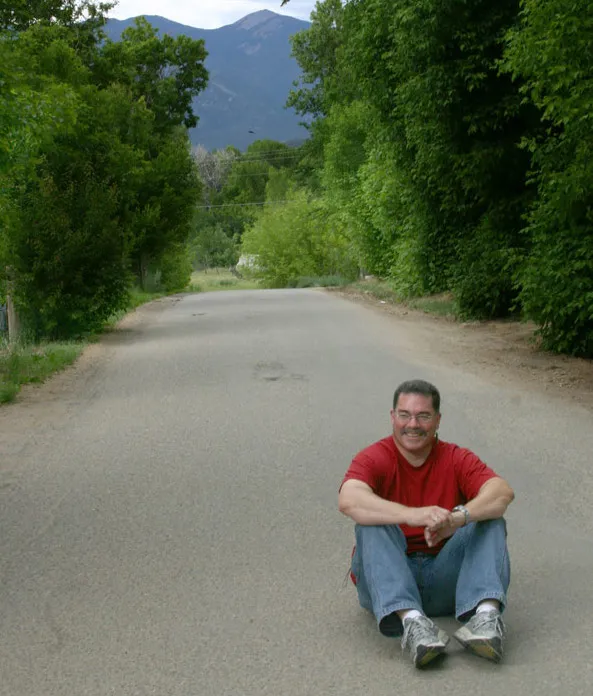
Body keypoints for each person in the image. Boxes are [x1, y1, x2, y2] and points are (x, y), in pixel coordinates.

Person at [338, 379, 514, 668]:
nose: (413, 424)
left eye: (423, 416)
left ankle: (485, 618)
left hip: (445, 579)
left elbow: (502, 492)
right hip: (386, 580)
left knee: (490, 516)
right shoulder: (375, 457)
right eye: (404, 415)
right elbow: (349, 500)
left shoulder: (456, 457)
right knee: (370, 520)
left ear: (438, 420)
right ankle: (413, 623)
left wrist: (458, 518)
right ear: (392, 417)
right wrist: (411, 514)